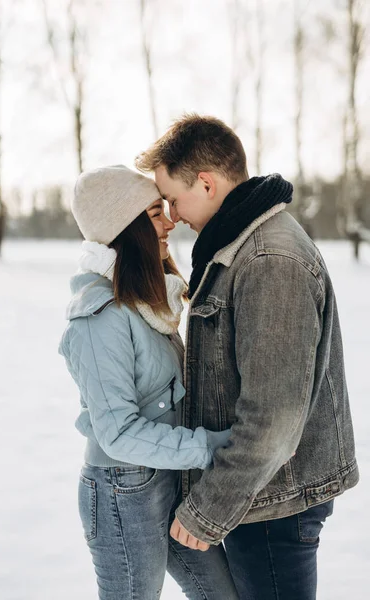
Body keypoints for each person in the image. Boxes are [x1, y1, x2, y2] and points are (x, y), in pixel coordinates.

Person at [135, 114, 360, 600]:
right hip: (258, 495)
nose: (171, 215)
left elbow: (273, 419)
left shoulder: (267, 261)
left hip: (272, 502)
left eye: (173, 198)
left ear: (207, 183)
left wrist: (209, 507)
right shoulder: (237, 248)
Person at [58, 165, 239, 600]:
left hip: (170, 480)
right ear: (126, 227)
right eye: (155, 213)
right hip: (124, 493)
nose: (170, 222)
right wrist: (212, 447)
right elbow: (118, 432)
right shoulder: (99, 318)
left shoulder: (148, 302)